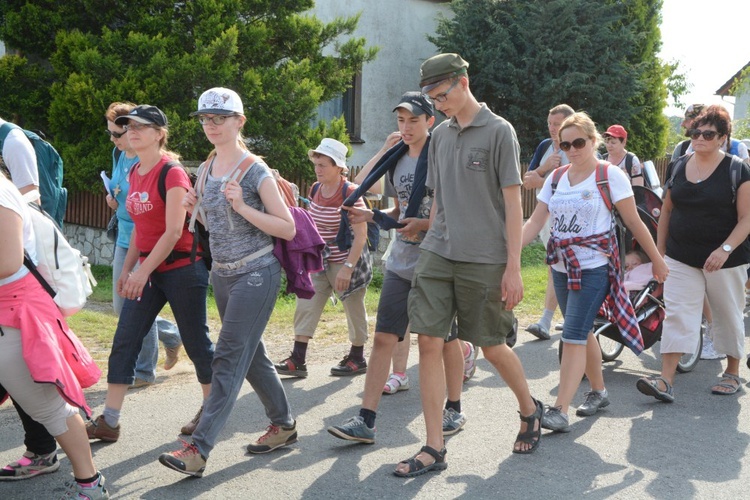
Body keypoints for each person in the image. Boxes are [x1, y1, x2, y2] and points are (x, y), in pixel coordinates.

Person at [390, 53, 544, 479]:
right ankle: (433, 446)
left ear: (463, 82)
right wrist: (429, 232)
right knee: (429, 342)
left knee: (492, 346)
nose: (439, 105)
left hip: (485, 258)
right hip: (439, 252)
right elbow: (439, 198)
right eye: (432, 99)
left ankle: (530, 410)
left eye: (443, 96)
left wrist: (513, 267)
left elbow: (514, 204)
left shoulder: (499, 131)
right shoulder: (439, 136)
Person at [159, 87, 297, 477]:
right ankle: (284, 425)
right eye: (205, 119)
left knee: (227, 357)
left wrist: (241, 205)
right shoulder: (205, 168)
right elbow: (217, 227)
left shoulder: (256, 171)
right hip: (222, 273)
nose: (211, 126)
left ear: (240, 121)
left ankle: (198, 449)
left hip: (256, 273)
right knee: (251, 357)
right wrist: (195, 210)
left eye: (219, 118)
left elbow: (285, 228)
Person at [327, 92, 469, 445]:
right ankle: (366, 420)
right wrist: (371, 215)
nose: (406, 128)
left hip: (437, 261)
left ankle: (454, 406)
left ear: (430, 122)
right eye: (400, 121)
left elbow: (450, 212)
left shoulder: (444, 155)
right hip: (402, 260)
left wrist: (422, 224)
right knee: (383, 338)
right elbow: (394, 209)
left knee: (443, 340)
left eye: (413, 121)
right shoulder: (398, 158)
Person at [522, 112, 667, 433]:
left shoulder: (609, 175)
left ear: (593, 141)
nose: (572, 149)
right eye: (565, 143)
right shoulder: (556, 177)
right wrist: (507, 253)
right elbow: (534, 222)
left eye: (579, 142)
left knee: (572, 333)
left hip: (595, 267)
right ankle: (599, 391)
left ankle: (560, 409)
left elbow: (634, 222)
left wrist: (656, 259)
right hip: (561, 266)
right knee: (583, 330)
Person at [86, 105, 214, 442]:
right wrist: (127, 270)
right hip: (149, 269)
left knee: (198, 343)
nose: (132, 131)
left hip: (184, 269)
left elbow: (173, 231)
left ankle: (210, 412)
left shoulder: (171, 172)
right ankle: (109, 421)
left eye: (142, 126)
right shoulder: (133, 173)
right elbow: (141, 230)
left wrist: (141, 272)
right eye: (128, 127)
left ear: (159, 134)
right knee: (125, 338)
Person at [0, 171, 109, 498]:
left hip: (15, 310)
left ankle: (90, 484)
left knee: (49, 407)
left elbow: (7, 260)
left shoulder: (1, 193)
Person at [637, 105, 750, 402]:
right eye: (695, 132)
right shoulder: (679, 164)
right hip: (680, 255)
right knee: (677, 314)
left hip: (724, 261)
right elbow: (667, 210)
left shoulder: (737, 168)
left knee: (727, 314)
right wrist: (659, 252)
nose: (699, 138)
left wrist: (725, 250)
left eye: (708, 134)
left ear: (723, 137)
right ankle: (665, 380)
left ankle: (732, 372)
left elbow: (747, 219)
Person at [275, 138, 371, 377]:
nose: (317, 169)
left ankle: (357, 357)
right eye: (316, 164)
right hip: (321, 259)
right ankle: (297, 359)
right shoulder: (316, 189)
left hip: (347, 259)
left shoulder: (351, 194)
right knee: (306, 303)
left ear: (339, 167)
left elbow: (361, 236)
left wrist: (348, 269)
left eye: (323, 165)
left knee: (353, 307)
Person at [104, 102, 183, 388]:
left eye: (118, 133)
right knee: (120, 305)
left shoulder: (157, 163)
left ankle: (143, 370)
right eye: (111, 133)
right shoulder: (120, 155)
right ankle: (172, 335)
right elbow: (122, 190)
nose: (114, 139)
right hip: (126, 235)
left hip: (147, 239)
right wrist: (113, 200)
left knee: (136, 304)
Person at [0, 117, 61, 481]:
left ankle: (46, 448)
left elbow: (31, 195)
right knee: (15, 371)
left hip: (19, 280)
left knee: (21, 370)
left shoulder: (13, 139)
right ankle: (45, 445)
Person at [522, 104, 575, 340]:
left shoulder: (576, 148)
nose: (553, 128)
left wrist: (542, 179)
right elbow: (527, 181)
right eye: (550, 124)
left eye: (557, 124)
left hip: (572, 219)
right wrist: (545, 168)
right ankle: (565, 317)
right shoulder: (545, 146)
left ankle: (548, 319)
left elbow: (573, 182)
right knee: (555, 265)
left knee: (559, 265)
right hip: (545, 215)